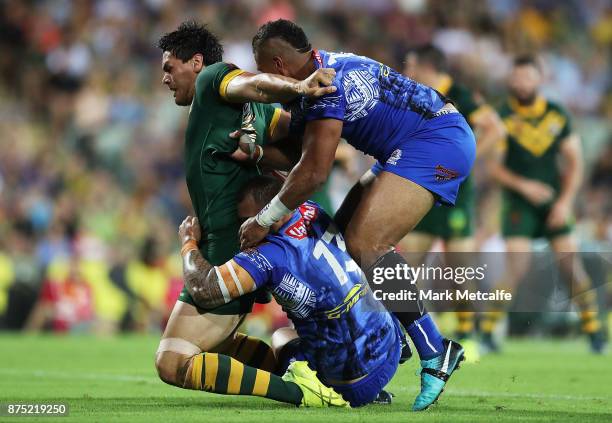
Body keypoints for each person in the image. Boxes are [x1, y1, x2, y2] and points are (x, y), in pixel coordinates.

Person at [238, 19, 473, 410]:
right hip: (411, 144)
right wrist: (256, 150)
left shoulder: (326, 88)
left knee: (368, 243)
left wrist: (264, 219)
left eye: (263, 68)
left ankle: (435, 349)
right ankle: (387, 335)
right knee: (344, 239)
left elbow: (313, 172)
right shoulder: (320, 70)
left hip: (436, 141)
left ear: (278, 64)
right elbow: (300, 153)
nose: (264, 77)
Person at [153, 20, 341, 404]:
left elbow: (251, 83)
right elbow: (295, 142)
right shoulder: (250, 114)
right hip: (243, 243)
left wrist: (300, 87)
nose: (165, 79)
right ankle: (308, 369)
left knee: (173, 362)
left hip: (226, 249)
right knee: (217, 348)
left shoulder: (214, 80)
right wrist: (258, 152)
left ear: (196, 62)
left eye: (169, 68)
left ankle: (300, 391)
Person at [176, 175, 404, 407]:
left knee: (280, 337)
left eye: (246, 220)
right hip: (389, 351)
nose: (242, 228)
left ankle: (311, 391)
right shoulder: (312, 210)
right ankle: (379, 377)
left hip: (350, 384)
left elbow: (204, 288)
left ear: (267, 214)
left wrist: (188, 243)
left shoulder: (269, 255)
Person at [486, 54, 607, 354]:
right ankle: (486, 330)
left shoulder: (556, 115)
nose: (521, 83)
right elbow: (493, 168)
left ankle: (594, 330)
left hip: (554, 202)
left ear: (539, 79)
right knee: (517, 266)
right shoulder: (502, 117)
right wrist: (524, 185)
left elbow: (575, 162)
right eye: (516, 77)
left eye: (527, 77)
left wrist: (565, 203)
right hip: (518, 204)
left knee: (571, 266)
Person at [399, 44, 505, 356]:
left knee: (459, 271)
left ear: (424, 64)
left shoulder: (461, 94)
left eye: (410, 63)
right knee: (406, 267)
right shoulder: (415, 95)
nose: (407, 69)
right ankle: (404, 331)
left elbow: (495, 130)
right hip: (421, 188)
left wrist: (464, 159)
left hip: (455, 193)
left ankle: (467, 332)